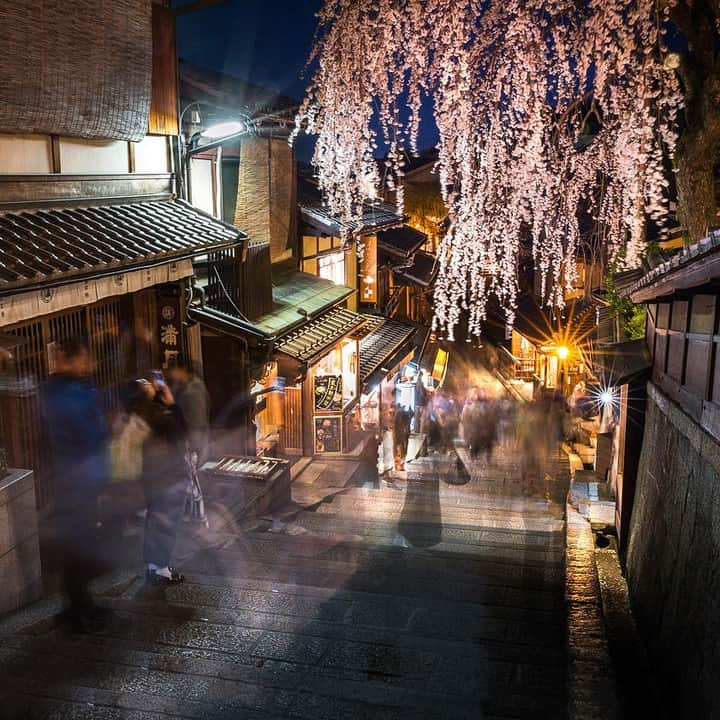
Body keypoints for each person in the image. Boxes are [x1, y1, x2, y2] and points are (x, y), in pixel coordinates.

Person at [41, 338, 109, 627]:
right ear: (67, 360)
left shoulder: (64, 390)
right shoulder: (65, 396)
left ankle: (79, 607)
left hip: (78, 480)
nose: (86, 364)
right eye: (82, 358)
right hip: (77, 481)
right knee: (78, 546)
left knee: (78, 545)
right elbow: (88, 438)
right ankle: (78, 611)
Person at [128, 372, 189, 585]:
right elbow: (181, 432)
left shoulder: (138, 415)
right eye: (144, 384)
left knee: (156, 520)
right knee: (166, 522)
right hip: (167, 476)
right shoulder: (158, 417)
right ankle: (161, 570)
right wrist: (171, 402)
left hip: (151, 477)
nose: (150, 383)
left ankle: (153, 567)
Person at [167, 357, 210, 464]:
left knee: (194, 469)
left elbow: (196, 421)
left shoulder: (193, 389)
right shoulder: (182, 385)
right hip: (191, 437)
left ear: (183, 369)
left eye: (173, 369)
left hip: (193, 438)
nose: (171, 373)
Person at [393, 403, 413, 471]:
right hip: (399, 432)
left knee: (400, 445)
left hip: (400, 432)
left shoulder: (401, 415)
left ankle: (400, 460)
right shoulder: (400, 415)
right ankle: (400, 460)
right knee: (400, 444)